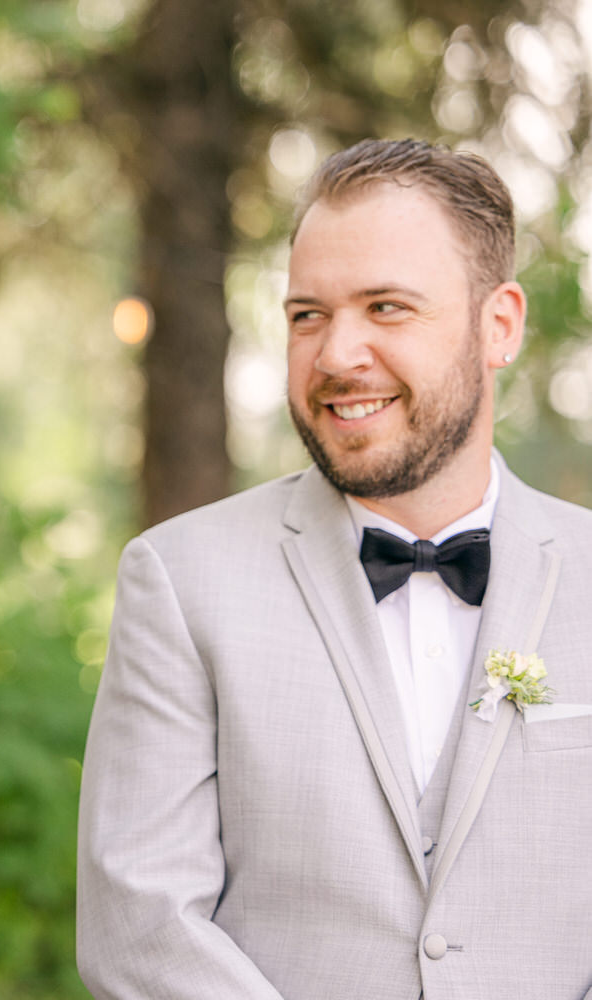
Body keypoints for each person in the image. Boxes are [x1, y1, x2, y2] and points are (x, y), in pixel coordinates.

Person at [77, 137, 592, 999]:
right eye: (307, 315)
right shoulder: (179, 579)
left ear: (498, 325)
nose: (335, 355)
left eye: (385, 307)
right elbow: (142, 929)